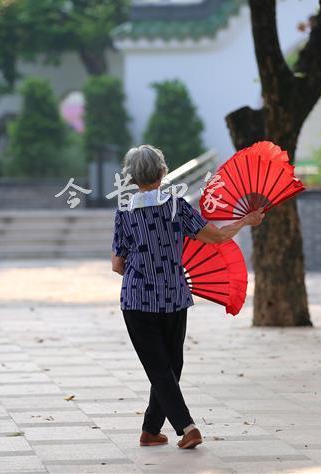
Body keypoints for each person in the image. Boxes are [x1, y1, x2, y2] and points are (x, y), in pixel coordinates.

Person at [110, 144, 264, 449]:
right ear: (163, 171)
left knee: (160, 368)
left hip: (138, 299)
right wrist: (246, 221)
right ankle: (177, 427)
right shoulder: (176, 206)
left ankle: (158, 429)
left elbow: (117, 265)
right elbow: (217, 237)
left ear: (131, 177)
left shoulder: (124, 212)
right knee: (171, 365)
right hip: (174, 297)